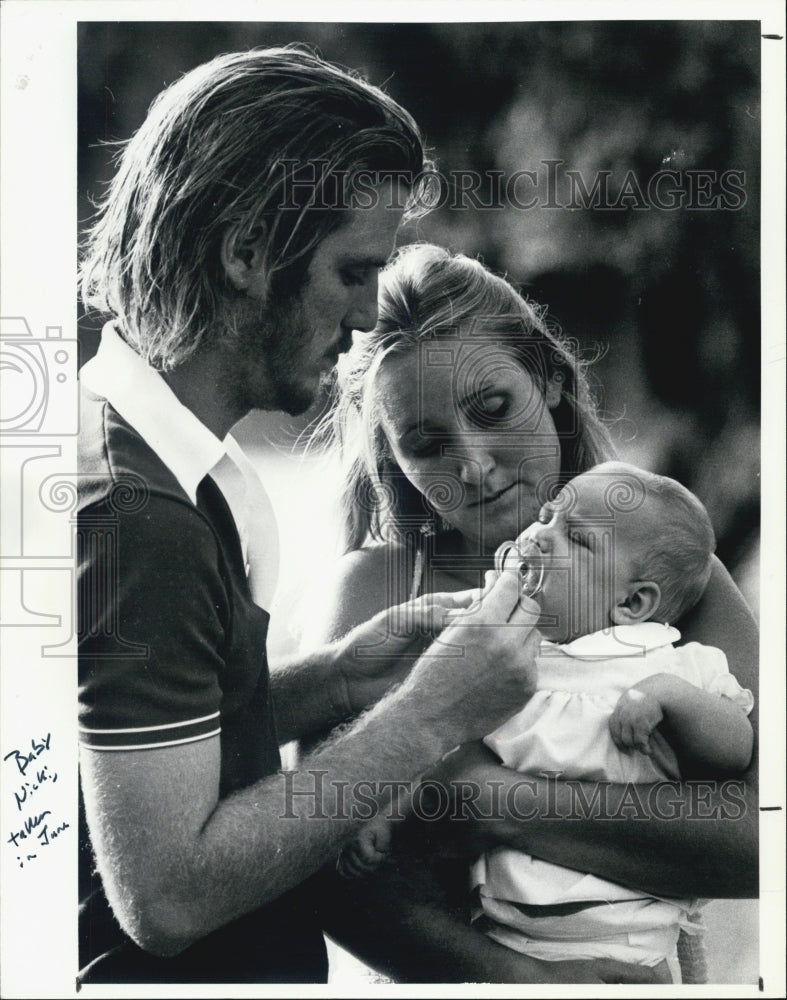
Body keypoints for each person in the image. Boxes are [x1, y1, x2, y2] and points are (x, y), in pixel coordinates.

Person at [76, 47, 558, 985]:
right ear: (248, 251)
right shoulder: (136, 517)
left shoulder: (136, 451)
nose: (372, 313)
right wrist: (425, 718)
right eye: (352, 269)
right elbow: (166, 896)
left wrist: (337, 680)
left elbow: (142, 764)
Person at [308, 243, 759, 983]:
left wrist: (487, 799)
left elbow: (760, 835)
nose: (475, 465)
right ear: (393, 460)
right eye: (426, 444)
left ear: (547, 379)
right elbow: (339, 875)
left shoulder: (668, 573)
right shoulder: (374, 596)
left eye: (493, 411)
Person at [337, 462, 754, 983]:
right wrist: (384, 813)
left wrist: (670, 698)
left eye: (574, 537)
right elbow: (444, 748)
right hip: (507, 936)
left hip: (629, 949)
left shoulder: (671, 663)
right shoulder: (513, 661)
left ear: (632, 602)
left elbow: (737, 749)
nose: (538, 536)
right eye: (546, 517)